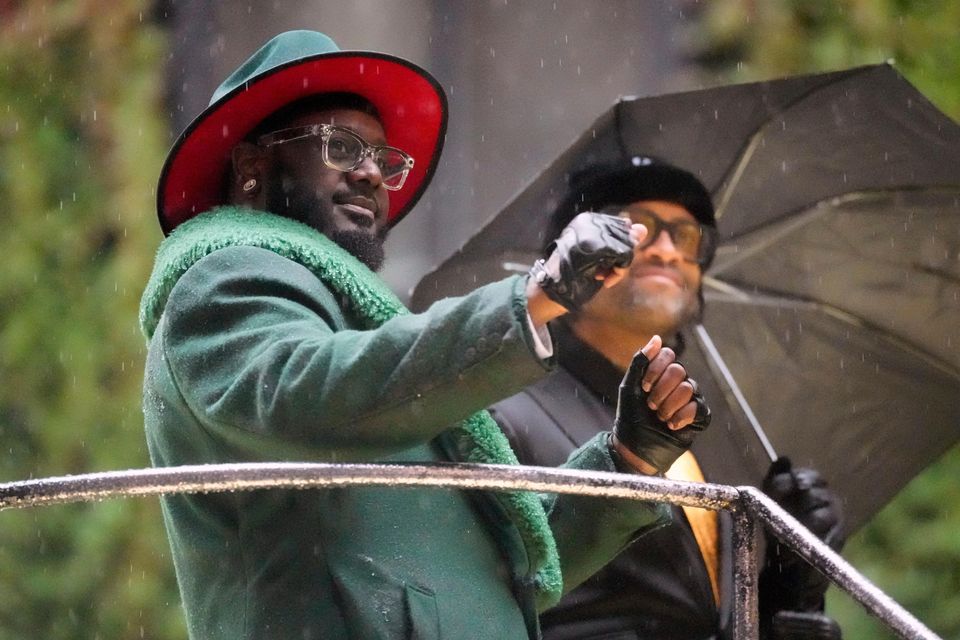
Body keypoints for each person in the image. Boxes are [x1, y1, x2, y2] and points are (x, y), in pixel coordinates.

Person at [139, 32, 712, 640]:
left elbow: (514, 574)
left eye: (384, 160)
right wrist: (532, 300)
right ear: (253, 166)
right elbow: (310, 396)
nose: (370, 174)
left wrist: (626, 460)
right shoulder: (221, 279)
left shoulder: (386, 363)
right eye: (341, 147)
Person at [492, 157, 846, 640]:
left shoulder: (682, 431)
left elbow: (683, 618)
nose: (666, 251)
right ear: (575, 258)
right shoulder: (505, 413)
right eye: (636, 229)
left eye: (686, 236)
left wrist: (786, 582)